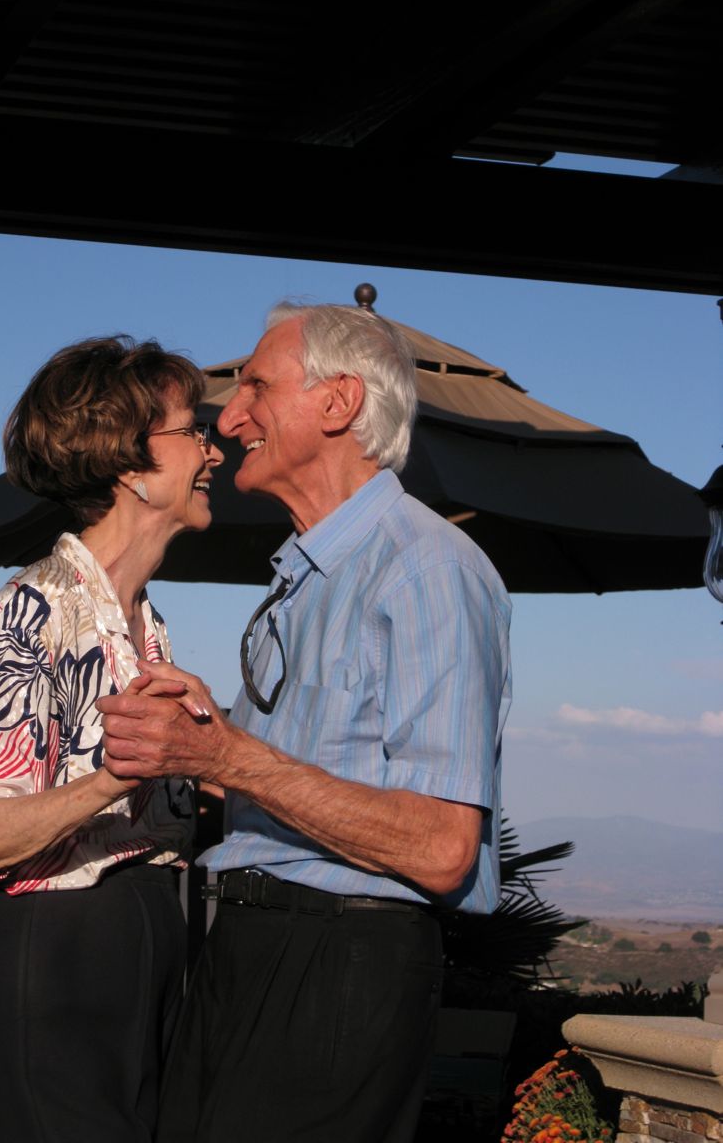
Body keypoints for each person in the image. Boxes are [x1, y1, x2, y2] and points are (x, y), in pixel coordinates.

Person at [99, 302, 512, 1143]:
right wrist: (204, 745)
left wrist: (236, 757)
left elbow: (441, 849)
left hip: (337, 971)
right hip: (248, 952)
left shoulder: (427, 569)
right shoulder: (309, 576)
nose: (231, 414)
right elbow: (280, 782)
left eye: (256, 384)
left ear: (338, 404)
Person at [0, 335, 223, 1143]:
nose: (214, 449)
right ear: (130, 465)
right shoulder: (32, 613)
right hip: (51, 957)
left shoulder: (145, 625)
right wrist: (115, 778)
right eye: (193, 430)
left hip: (145, 943)